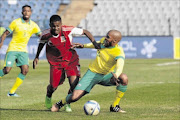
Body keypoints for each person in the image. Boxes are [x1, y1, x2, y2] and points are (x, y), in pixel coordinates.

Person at [51, 30, 128, 113]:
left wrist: (116, 75)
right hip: (92, 73)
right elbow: (97, 44)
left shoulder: (118, 52)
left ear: (114, 41)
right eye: (106, 35)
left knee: (124, 78)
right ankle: (60, 103)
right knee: (74, 97)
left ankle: (114, 106)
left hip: (106, 75)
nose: (105, 38)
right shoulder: (104, 42)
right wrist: (83, 46)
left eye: (108, 37)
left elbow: (120, 65)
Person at [33, 15, 96, 112]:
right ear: (50, 25)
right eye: (54, 26)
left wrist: (94, 43)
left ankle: (67, 103)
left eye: (58, 26)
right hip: (56, 63)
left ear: (61, 24)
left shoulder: (68, 30)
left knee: (74, 84)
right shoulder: (45, 34)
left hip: (71, 60)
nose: (56, 28)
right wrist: (36, 56)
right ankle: (48, 95)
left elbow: (85, 32)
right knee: (53, 86)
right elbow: (41, 43)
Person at [0, 5, 41, 97]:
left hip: (23, 50)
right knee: (6, 70)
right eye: (25, 11)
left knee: (25, 70)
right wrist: (1, 42)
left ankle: (12, 92)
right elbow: (5, 33)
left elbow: (41, 36)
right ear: (22, 12)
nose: (26, 13)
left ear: (31, 13)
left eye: (28, 11)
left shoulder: (34, 25)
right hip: (13, 49)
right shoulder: (16, 22)